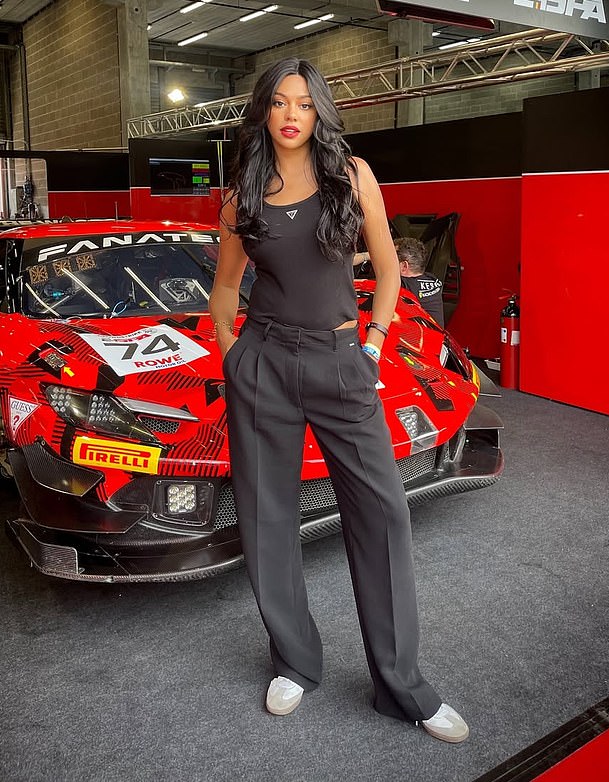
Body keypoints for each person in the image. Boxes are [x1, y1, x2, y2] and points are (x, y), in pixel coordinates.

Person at [208, 57, 468, 743]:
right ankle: (294, 660)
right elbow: (226, 288)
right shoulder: (242, 193)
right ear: (264, 111)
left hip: (340, 360)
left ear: (319, 111)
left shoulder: (351, 176)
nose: (291, 114)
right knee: (266, 519)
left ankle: (403, 686)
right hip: (263, 363)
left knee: (383, 515)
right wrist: (234, 355)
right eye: (279, 102)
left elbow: (389, 269)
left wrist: (374, 344)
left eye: (304, 103)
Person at [395, 236, 445, 327]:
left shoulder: (404, 285)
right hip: (437, 334)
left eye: (390, 260)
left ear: (404, 266)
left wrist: (368, 256)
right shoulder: (432, 279)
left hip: (421, 335)